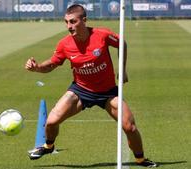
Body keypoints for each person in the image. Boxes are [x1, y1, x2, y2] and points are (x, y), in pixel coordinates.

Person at [24, 4, 158, 168]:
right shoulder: (65, 44)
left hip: (108, 92)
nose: (69, 26)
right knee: (51, 122)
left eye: (73, 22)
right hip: (80, 91)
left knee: (129, 127)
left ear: (84, 20)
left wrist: (122, 70)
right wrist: (37, 68)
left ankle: (141, 159)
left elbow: (122, 43)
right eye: (66, 22)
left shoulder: (102, 35)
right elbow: (52, 64)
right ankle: (48, 147)